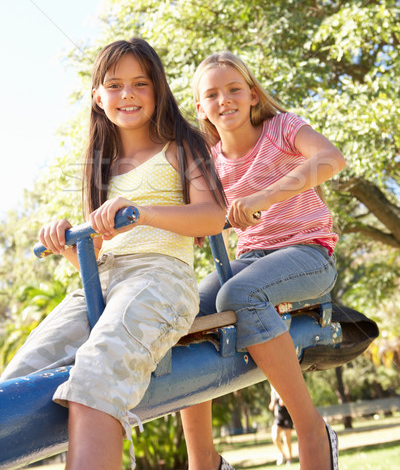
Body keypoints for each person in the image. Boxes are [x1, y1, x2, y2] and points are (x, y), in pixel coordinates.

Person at [0, 38, 226, 470]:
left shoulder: (182, 145)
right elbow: (97, 254)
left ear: (158, 90)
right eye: (115, 85)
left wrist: (142, 213)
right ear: (97, 97)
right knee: (15, 383)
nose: (127, 94)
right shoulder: (100, 163)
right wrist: (66, 241)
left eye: (141, 83)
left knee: (97, 375)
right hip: (99, 284)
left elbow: (212, 217)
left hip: (160, 279)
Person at [180, 52, 345, 470]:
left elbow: (331, 159)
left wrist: (263, 198)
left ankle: (310, 429)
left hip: (308, 253)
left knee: (239, 293)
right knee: (181, 311)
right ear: (201, 108)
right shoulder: (210, 165)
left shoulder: (281, 129)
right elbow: (198, 224)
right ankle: (205, 461)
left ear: (252, 95)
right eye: (212, 94)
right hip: (251, 260)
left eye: (234, 89)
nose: (225, 100)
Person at [269, 387, 293, 466]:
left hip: (288, 417)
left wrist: (283, 398)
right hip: (278, 417)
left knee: (286, 439)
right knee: (275, 437)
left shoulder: (285, 387)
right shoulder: (273, 391)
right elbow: (271, 406)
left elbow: (286, 402)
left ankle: (289, 459)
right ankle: (282, 454)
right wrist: (272, 403)